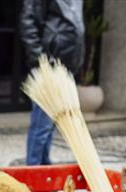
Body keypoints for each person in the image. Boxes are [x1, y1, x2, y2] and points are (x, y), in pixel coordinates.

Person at [20, 0, 85, 165]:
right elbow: (28, 23)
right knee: (42, 123)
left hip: (66, 63)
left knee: (52, 120)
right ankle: (34, 169)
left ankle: (44, 165)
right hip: (50, 62)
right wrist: (40, 59)